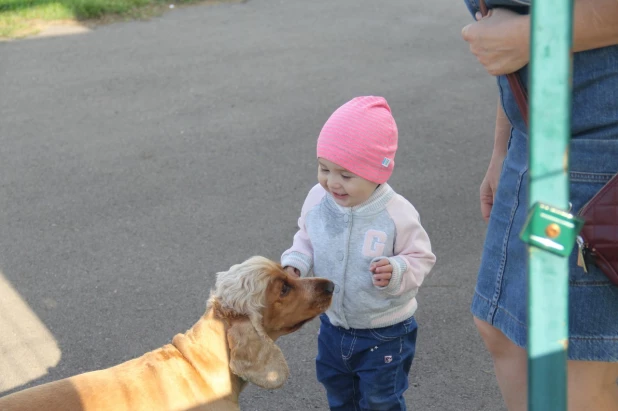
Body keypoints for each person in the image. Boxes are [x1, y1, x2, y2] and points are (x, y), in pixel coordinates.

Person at [461, 1, 618, 410]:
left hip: (596, 147)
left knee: (573, 366)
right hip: (533, 137)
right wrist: (505, 142)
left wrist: (530, 35)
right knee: (504, 330)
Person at [280, 96, 436, 411]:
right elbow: (307, 238)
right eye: (324, 168)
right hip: (333, 325)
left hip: (386, 331)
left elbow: (421, 257)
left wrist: (397, 271)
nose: (332, 182)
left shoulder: (396, 213)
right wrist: (295, 263)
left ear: (379, 172)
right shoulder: (317, 200)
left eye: (346, 175)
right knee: (339, 395)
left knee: (381, 401)